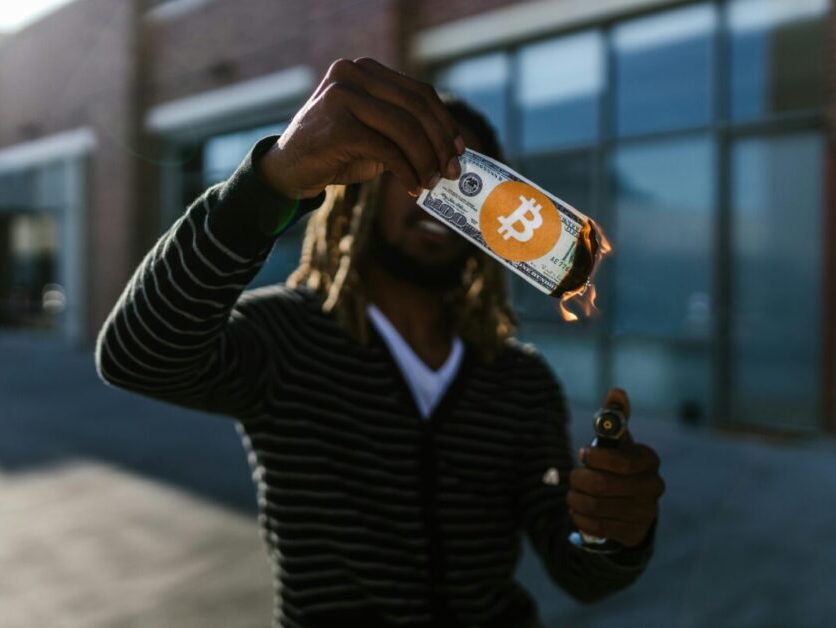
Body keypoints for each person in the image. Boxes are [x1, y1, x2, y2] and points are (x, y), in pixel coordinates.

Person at [96, 57, 664, 628]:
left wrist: (613, 532)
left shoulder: (519, 379)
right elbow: (136, 356)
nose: (454, 195)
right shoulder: (286, 338)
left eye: (477, 181)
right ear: (359, 191)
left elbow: (577, 570)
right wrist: (272, 180)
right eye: (419, 167)